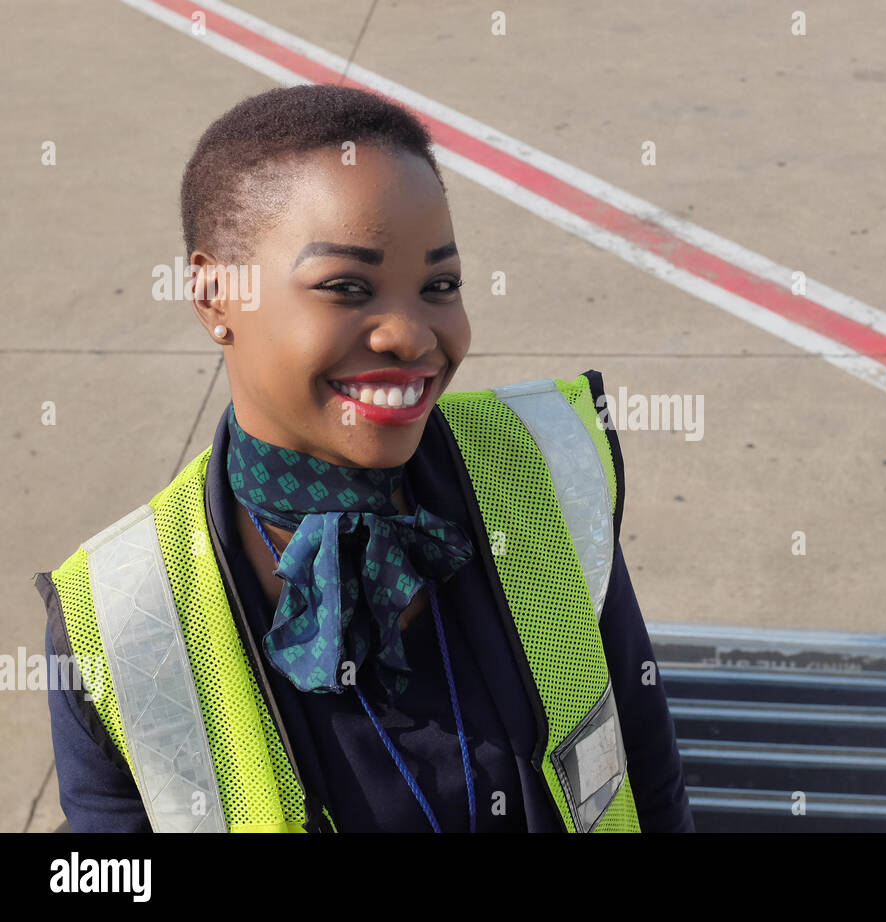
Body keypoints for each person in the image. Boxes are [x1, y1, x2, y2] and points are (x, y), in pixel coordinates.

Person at [34, 84, 694, 833]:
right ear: (215, 294)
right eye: (346, 287)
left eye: (438, 285)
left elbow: (644, 768)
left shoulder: (541, 471)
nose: (411, 336)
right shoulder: (121, 616)